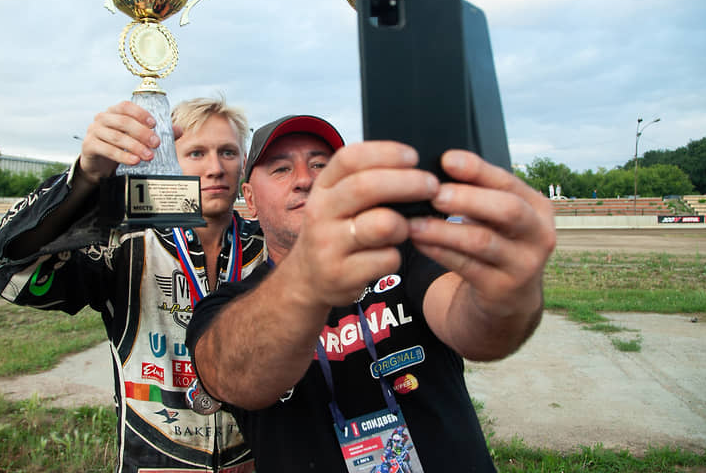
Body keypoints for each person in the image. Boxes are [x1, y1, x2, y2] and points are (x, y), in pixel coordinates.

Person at [186, 115, 556, 471]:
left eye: (322, 166)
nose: (304, 180)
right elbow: (232, 377)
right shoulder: (225, 307)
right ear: (249, 198)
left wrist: (506, 293)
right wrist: (309, 275)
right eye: (281, 169)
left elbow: (477, 328)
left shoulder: (405, 256)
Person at [0, 97, 266, 473]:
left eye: (227, 152)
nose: (215, 168)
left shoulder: (268, 248)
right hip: (152, 459)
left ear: (243, 164)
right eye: (196, 153)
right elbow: (11, 274)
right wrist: (86, 178)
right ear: (168, 161)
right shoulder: (125, 244)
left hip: (255, 458)